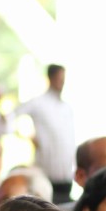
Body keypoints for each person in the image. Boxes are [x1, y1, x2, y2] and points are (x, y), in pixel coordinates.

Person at [14, 64, 75, 203]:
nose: (62, 82)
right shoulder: (38, 103)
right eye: (60, 78)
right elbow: (11, 117)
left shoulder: (66, 107)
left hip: (66, 175)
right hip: (46, 173)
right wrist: (27, 136)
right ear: (51, 78)